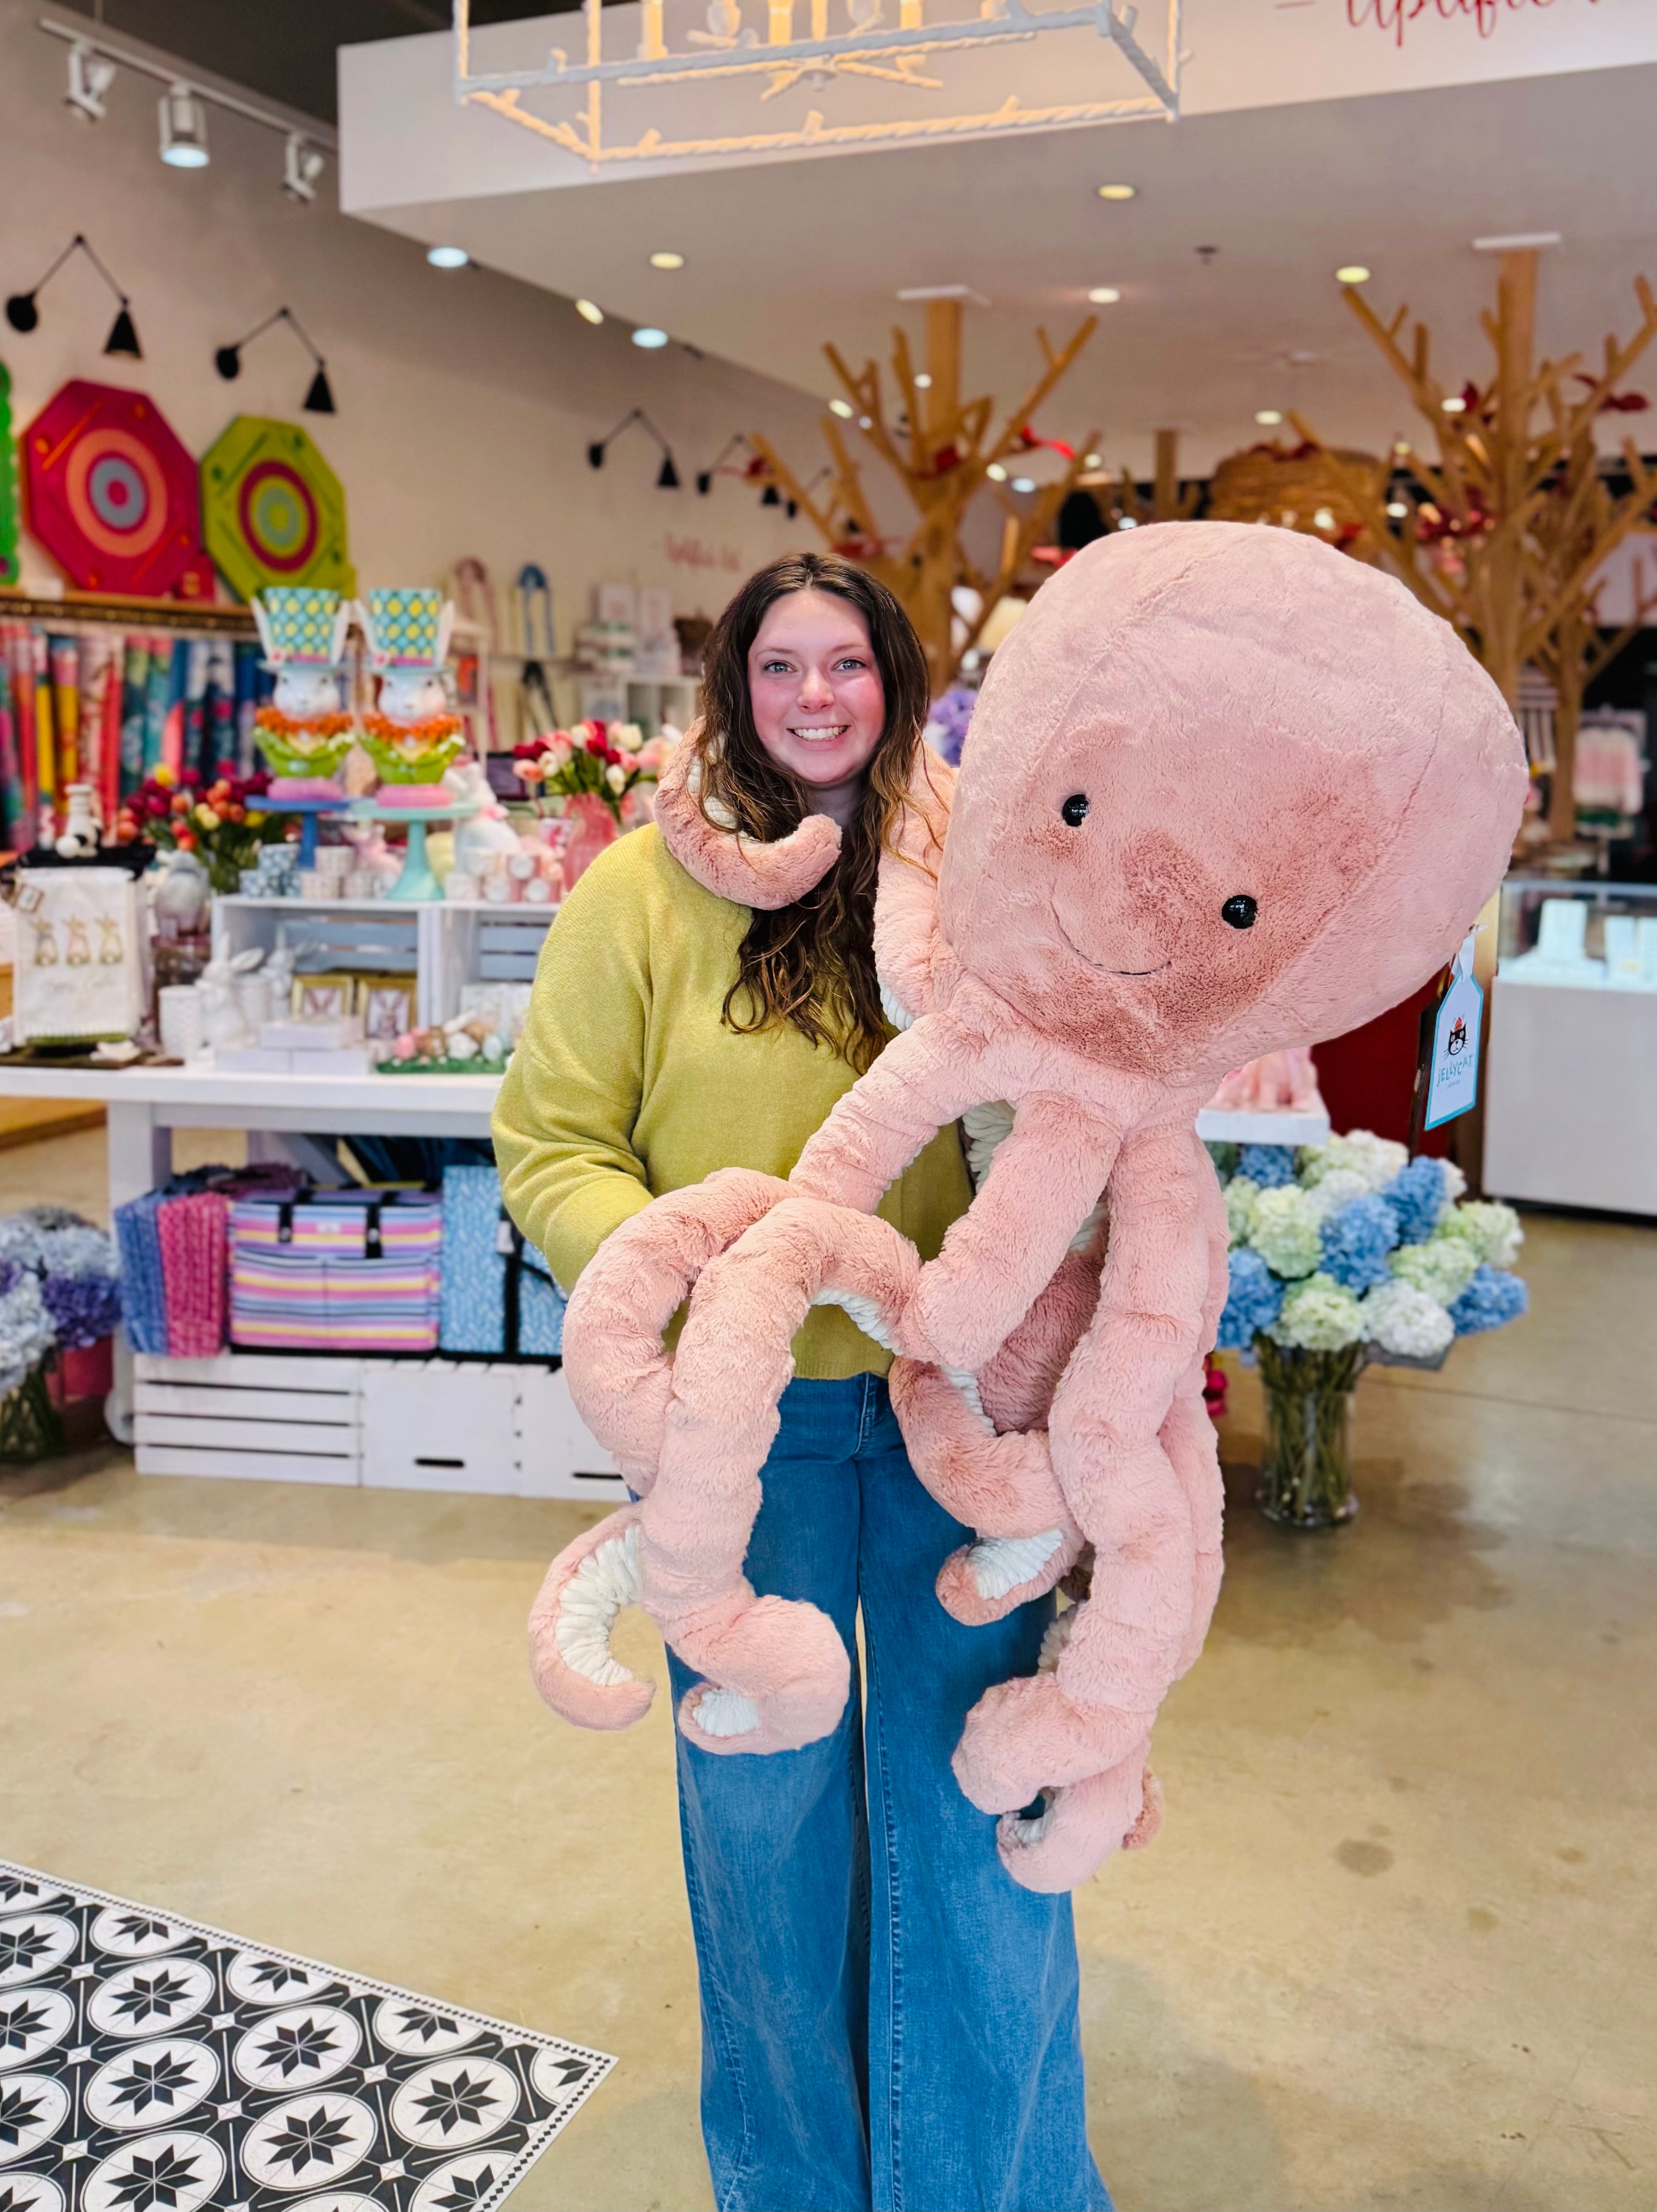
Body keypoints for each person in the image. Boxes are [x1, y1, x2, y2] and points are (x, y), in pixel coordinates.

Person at [493, 551, 1111, 2212]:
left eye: (847, 663)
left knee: (974, 1802)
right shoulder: (639, 890)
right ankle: (791, 2187)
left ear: (896, 680)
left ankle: (994, 2184)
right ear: (736, 687)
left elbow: (1065, 1120)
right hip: (736, 1440)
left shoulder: (983, 885)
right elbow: (553, 1141)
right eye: (782, 666)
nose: (817, 697)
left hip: (951, 1425)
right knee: (763, 1829)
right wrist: (685, 1310)